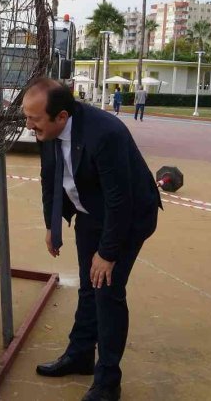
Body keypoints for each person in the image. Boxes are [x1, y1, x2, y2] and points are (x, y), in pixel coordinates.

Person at [22, 78, 160, 401]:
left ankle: (108, 381)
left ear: (62, 117)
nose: (29, 127)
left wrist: (108, 253)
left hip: (128, 217)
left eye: (35, 120)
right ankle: (81, 354)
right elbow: (49, 177)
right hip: (90, 212)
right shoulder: (47, 130)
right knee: (89, 285)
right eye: (26, 118)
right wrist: (52, 225)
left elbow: (120, 200)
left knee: (107, 290)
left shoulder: (105, 134)